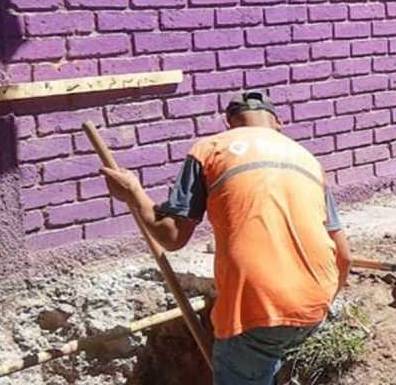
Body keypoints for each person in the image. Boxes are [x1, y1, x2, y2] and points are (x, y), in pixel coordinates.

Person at [100, 90, 352, 385]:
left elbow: (171, 236)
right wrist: (318, 303)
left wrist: (133, 194)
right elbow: (343, 255)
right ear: (278, 124)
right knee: (266, 356)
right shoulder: (307, 159)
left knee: (252, 357)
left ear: (229, 123)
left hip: (258, 305)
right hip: (316, 301)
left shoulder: (210, 148)